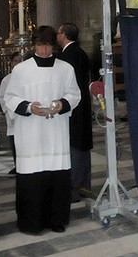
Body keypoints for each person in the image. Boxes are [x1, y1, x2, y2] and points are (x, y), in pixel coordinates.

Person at [4, 26, 81, 235]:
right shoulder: (21, 70)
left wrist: (61, 104)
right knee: (32, 178)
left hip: (56, 130)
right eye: (40, 45)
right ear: (33, 45)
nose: (44, 50)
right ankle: (31, 223)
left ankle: (57, 220)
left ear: (54, 45)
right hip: (31, 132)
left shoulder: (65, 68)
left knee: (57, 176)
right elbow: (10, 97)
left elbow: (74, 94)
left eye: (47, 46)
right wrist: (29, 107)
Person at [57, 22, 93, 201]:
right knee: (81, 145)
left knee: (76, 146)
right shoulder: (79, 52)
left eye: (58, 33)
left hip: (74, 106)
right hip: (82, 104)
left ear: (63, 35)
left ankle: (75, 187)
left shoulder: (68, 55)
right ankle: (83, 185)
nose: (57, 36)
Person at [0, 52, 25, 174]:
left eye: (20, 60)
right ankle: (17, 164)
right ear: (11, 63)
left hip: (27, 113)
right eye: (15, 61)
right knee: (15, 141)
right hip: (13, 115)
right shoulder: (6, 79)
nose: (17, 63)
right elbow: (3, 96)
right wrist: (7, 111)